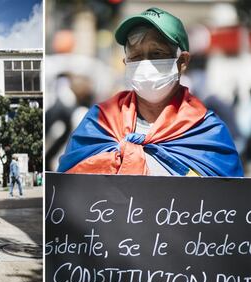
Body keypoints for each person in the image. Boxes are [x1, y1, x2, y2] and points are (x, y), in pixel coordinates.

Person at [58, 7, 243, 177]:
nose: (145, 64)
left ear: (182, 62)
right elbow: (68, 191)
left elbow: (227, 203)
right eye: (136, 56)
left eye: (157, 54)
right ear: (126, 64)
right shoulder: (99, 121)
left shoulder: (209, 131)